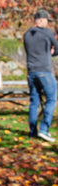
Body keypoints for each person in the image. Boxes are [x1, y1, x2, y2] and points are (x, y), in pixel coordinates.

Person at [24, 9, 58, 142]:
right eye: (46, 21)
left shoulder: (27, 34)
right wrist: (51, 53)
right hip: (44, 70)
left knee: (34, 102)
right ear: (41, 20)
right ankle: (44, 129)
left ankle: (33, 132)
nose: (47, 24)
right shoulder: (47, 33)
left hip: (31, 72)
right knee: (52, 99)